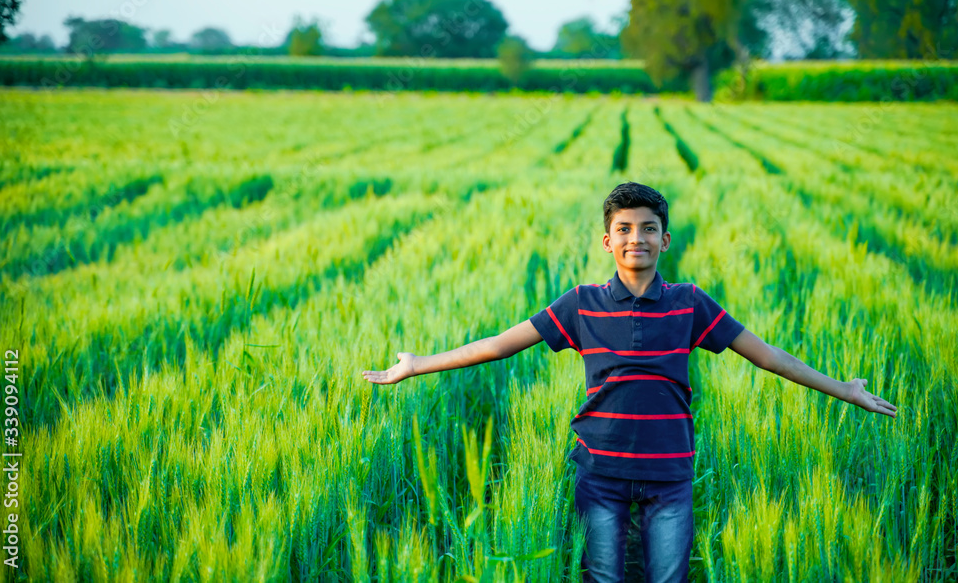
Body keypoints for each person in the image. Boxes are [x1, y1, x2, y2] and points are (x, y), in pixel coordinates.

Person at [362, 181, 897, 583]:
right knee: (604, 579)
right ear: (606, 240)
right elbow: (497, 346)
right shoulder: (581, 304)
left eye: (647, 228)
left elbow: (770, 358)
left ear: (665, 239)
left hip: (670, 474)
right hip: (599, 470)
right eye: (624, 228)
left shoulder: (690, 302)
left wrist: (844, 389)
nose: (635, 237)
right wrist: (418, 362)